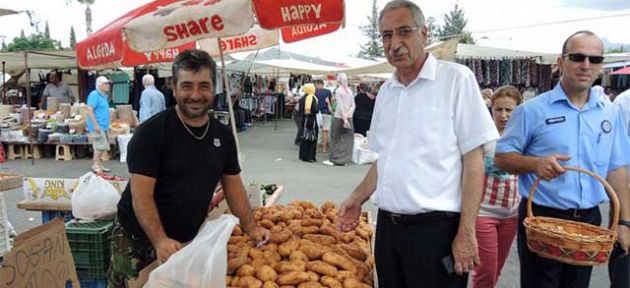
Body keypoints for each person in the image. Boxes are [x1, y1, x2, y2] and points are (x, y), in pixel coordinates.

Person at [337, 1, 499, 287]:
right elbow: (384, 160)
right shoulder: (386, 91)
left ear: (424, 34)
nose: (395, 43)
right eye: (387, 35)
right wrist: (356, 198)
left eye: (404, 32)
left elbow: (474, 161)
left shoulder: (456, 80)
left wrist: (466, 231)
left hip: (436, 232)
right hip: (388, 230)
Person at [107, 49, 268, 287]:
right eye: (187, 86)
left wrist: (251, 228)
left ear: (214, 88)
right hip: (138, 239)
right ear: (173, 88)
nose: (195, 95)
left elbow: (233, 188)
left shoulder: (222, 136)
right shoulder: (152, 134)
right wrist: (160, 240)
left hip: (186, 239)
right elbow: (141, 197)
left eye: (203, 86)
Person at [494, 31, 630, 288]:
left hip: (589, 223)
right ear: (560, 62)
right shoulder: (531, 111)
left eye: (594, 58)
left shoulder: (610, 114)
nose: (586, 65)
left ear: (601, 65)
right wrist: (535, 164)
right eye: (578, 57)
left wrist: (624, 222)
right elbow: (502, 157)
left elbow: (617, 169)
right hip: (543, 220)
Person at [472, 86, 523, 288]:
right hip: (483, 213)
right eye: (498, 110)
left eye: (509, 110)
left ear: (518, 110)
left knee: (496, 270)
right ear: (491, 110)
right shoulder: (482, 137)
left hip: (511, 214)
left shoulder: (522, 138)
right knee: (485, 271)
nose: (503, 115)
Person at [611, 88, 630, 288]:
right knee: (625, 263)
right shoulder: (624, 102)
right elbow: (616, 162)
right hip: (628, 193)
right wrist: (624, 220)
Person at [323, 73, 355, 166]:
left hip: (339, 117)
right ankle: (346, 160)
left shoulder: (338, 91)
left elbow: (340, 107)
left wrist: (344, 118)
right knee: (348, 139)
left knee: (335, 138)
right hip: (349, 118)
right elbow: (353, 105)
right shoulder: (350, 91)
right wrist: (348, 116)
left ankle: (335, 159)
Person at [86, 76, 112, 173]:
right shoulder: (94, 95)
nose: (108, 85)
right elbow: (89, 110)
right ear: (99, 85)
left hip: (103, 124)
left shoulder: (103, 95)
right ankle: (96, 164)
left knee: (102, 146)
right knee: (100, 145)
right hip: (97, 125)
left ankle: (99, 164)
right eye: (105, 84)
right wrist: (95, 124)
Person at [298, 83, 319, 162]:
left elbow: (300, 110)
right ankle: (310, 156)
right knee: (311, 137)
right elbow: (315, 110)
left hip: (304, 119)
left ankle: (303, 155)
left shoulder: (303, 98)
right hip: (311, 120)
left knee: (304, 136)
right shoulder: (311, 98)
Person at [314, 79, 333, 153]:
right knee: (325, 131)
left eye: (316, 85)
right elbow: (331, 102)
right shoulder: (328, 92)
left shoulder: (315, 92)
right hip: (327, 113)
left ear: (318, 84)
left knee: (317, 131)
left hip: (318, 113)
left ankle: (316, 148)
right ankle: (324, 149)